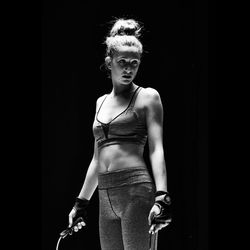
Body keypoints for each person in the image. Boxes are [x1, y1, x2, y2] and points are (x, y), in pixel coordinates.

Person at [67, 18, 172, 250]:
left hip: (136, 191)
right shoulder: (100, 103)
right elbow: (97, 159)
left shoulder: (148, 97)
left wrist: (162, 197)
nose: (128, 68)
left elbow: (157, 149)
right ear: (109, 62)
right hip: (106, 197)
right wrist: (81, 203)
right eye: (122, 61)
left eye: (134, 62)